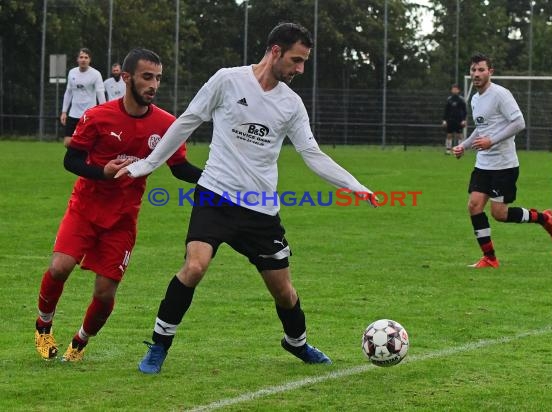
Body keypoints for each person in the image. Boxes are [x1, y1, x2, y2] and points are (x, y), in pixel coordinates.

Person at [116, 22, 377, 374]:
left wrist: (354, 185)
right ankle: (158, 346)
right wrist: (149, 163)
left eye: (304, 62)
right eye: (296, 60)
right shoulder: (227, 80)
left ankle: (297, 344)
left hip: (260, 209)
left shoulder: (291, 104)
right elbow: (187, 121)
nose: (300, 69)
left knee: (283, 291)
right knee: (194, 266)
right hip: (215, 194)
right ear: (274, 52)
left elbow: (312, 154)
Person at [34, 48, 203, 362]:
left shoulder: (167, 124)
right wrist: (103, 173)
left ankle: (79, 343)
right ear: (127, 78)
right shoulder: (98, 117)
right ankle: (43, 328)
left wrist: (217, 178)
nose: (153, 85)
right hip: (85, 208)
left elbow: (180, 168)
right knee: (59, 267)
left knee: (104, 293)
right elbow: (71, 160)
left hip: (123, 219)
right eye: (146, 77)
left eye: (158, 78)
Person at [452, 53, 552, 268]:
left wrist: (491, 141)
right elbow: (481, 129)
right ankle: (490, 258)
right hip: (483, 164)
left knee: (499, 214)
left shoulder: (501, 94)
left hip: (504, 165)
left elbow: (519, 123)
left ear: (490, 72)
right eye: (473, 70)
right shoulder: (475, 98)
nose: (476, 74)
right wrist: (463, 145)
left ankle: (543, 218)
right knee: (474, 206)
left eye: (481, 69)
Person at [60, 48, 106, 147]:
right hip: (73, 113)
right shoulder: (72, 72)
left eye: (86, 57)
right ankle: (77, 157)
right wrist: (64, 112)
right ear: (77, 59)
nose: (83, 60)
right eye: (81, 57)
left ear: (90, 60)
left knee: (88, 141)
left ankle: (84, 160)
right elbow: (68, 92)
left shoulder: (96, 74)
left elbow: (100, 94)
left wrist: (104, 113)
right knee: (67, 143)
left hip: (89, 115)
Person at [442, 83, 467, 154]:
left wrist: (464, 120)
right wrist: (444, 120)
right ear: (451, 90)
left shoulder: (461, 99)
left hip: (459, 120)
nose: (455, 90)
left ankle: (460, 150)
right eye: (453, 89)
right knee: (449, 135)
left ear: (458, 90)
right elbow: (446, 111)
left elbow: (465, 111)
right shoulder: (449, 99)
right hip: (450, 120)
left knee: (460, 135)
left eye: (456, 89)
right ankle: (448, 150)